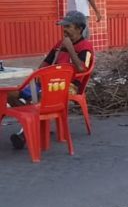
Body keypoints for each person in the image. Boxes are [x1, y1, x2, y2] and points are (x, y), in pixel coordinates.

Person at [8, 11, 95, 149]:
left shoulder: (86, 47)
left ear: (79, 28)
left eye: (68, 26)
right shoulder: (59, 44)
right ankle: (34, 122)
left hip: (68, 85)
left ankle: (25, 134)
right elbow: (44, 64)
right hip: (46, 83)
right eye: (63, 26)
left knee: (44, 97)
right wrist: (37, 76)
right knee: (10, 94)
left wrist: (70, 49)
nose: (64, 30)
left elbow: (82, 69)